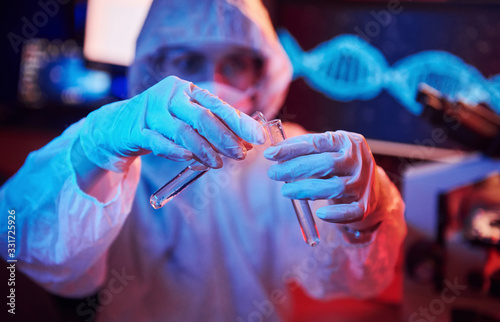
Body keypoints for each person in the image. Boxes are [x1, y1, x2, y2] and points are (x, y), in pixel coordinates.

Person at [0, 0, 406, 321]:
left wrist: (366, 217)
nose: (212, 82)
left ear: (261, 72)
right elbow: (17, 240)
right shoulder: (118, 154)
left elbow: (350, 281)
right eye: (189, 62)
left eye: (234, 63)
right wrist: (93, 150)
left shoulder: (287, 157)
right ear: (156, 68)